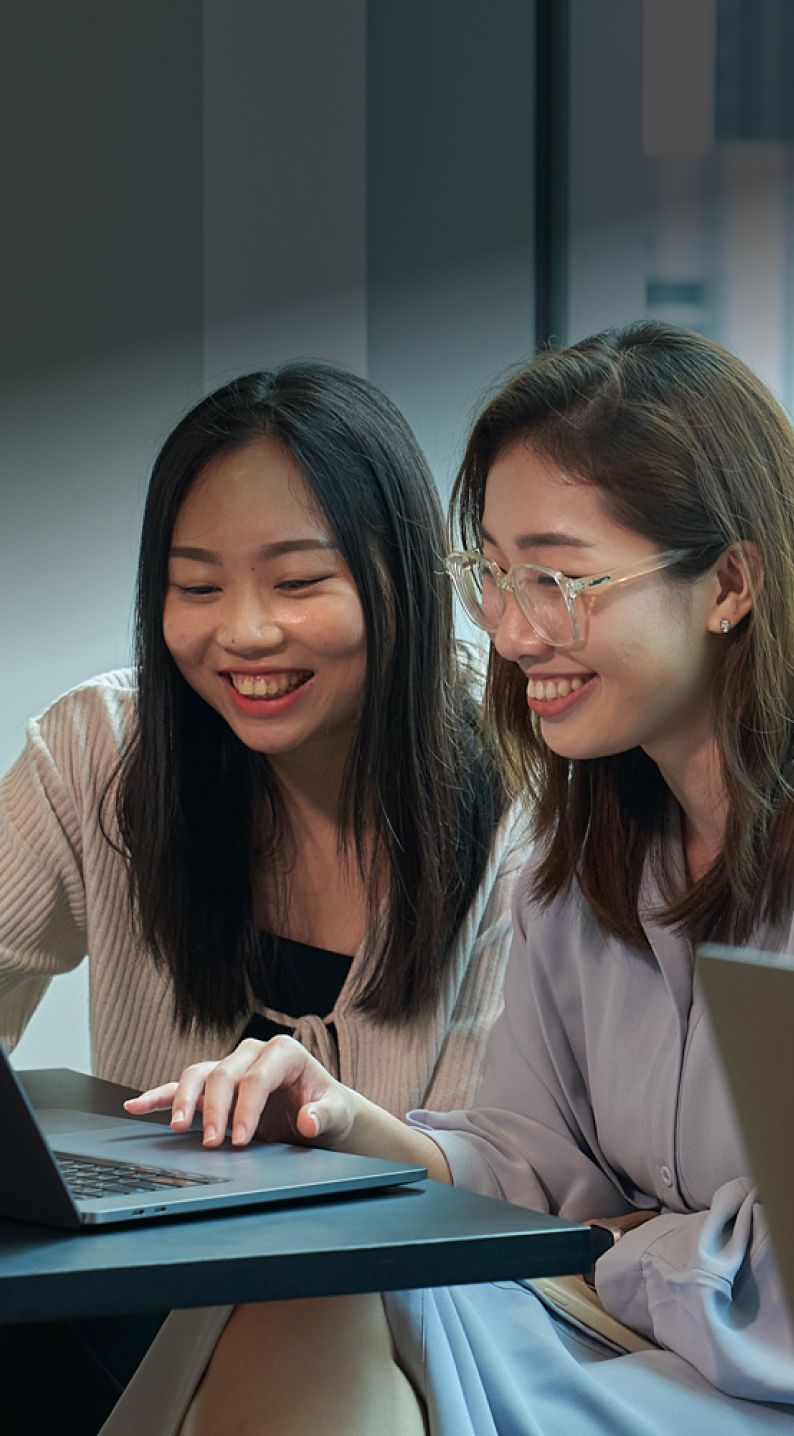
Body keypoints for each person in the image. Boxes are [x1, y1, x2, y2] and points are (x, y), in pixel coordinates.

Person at [119, 321, 794, 1435]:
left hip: (742, 1383)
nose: (512, 630)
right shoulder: (576, 862)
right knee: (306, 1266)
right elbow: (525, 1161)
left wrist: (617, 1240)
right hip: (612, 1333)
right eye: (491, 570)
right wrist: (344, 1121)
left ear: (729, 582)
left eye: (561, 579)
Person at [0, 362, 525, 1432]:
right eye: (195, 587)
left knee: (312, 1303)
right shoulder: (100, 749)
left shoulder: (533, 798)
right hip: (131, 1302)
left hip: (422, 1326)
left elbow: (517, 1191)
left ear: (407, 580)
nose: (241, 632)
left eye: (296, 582)